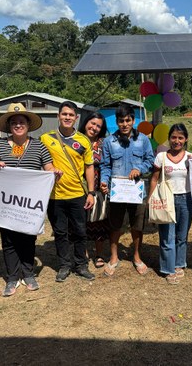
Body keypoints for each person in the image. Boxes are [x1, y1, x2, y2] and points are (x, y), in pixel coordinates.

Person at [0, 102, 60, 297]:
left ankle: (28, 274)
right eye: (14, 122)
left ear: (28, 125)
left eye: (21, 122)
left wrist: (55, 172)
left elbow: (48, 167)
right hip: (5, 202)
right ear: (8, 126)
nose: (18, 125)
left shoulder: (38, 145)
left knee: (28, 238)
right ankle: (12, 277)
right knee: (9, 240)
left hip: (29, 203)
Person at [40, 101, 96, 282]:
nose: (67, 117)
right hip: (54, 196)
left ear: (76, 118)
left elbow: (89, 167)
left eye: (71, 115)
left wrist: (91, 193)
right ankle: (64, 265)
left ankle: (81, 265)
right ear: (58, 116)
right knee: (60, 232)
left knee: (80, 232)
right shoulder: (45, 138)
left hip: (78, 195)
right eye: (64, 114)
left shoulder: (83, 140)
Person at [100, 104, 155, 277]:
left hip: (137, 192)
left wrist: (139, 169)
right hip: (117, 192)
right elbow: (105, 165)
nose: (125, 124)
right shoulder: (109, 142)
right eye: (121, 121)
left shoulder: (143, 140)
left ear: (133, 120)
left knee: (137, 225)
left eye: (128, 120)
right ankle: (114, 257)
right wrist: (103, 181)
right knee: (115, 224)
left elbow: (150, 160)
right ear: (117, 122)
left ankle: (137, 256)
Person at [148, 124, 192, 285]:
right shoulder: (161, 157)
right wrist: (150, 199)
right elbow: (154, 179)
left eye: (180, 138)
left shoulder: (191, 158)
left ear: (186, 139)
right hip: (166, 199)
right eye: (173, 137)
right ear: (169, 138)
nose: (177, 141)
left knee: (182, 235)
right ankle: (168, 268)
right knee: (167, 236)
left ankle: (179, 263)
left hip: (186, 199)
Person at [78, 112, 110, 268]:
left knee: (99, 219)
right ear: (85, 122)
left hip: (99, 186)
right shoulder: (75, 140)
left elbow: (109, 164)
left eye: (98, 126)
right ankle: (83, 253)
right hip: (78, 186)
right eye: (92, 123)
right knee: (80, 220)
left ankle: (99, 254)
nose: (94, 127)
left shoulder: (104, 143)